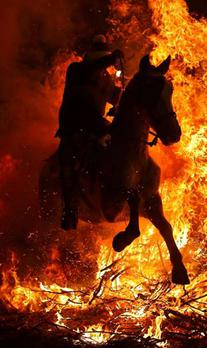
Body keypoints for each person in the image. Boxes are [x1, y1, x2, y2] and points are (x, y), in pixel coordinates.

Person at [55, 35, 123, 230]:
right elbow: (89, 70)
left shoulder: (104, 77)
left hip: (97, 123)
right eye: (100, 58)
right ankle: (70, 210)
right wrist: (110, 59)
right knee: (70, 164)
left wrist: (121, 95)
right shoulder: (76, 70)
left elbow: (114, 97)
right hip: (74, 124)